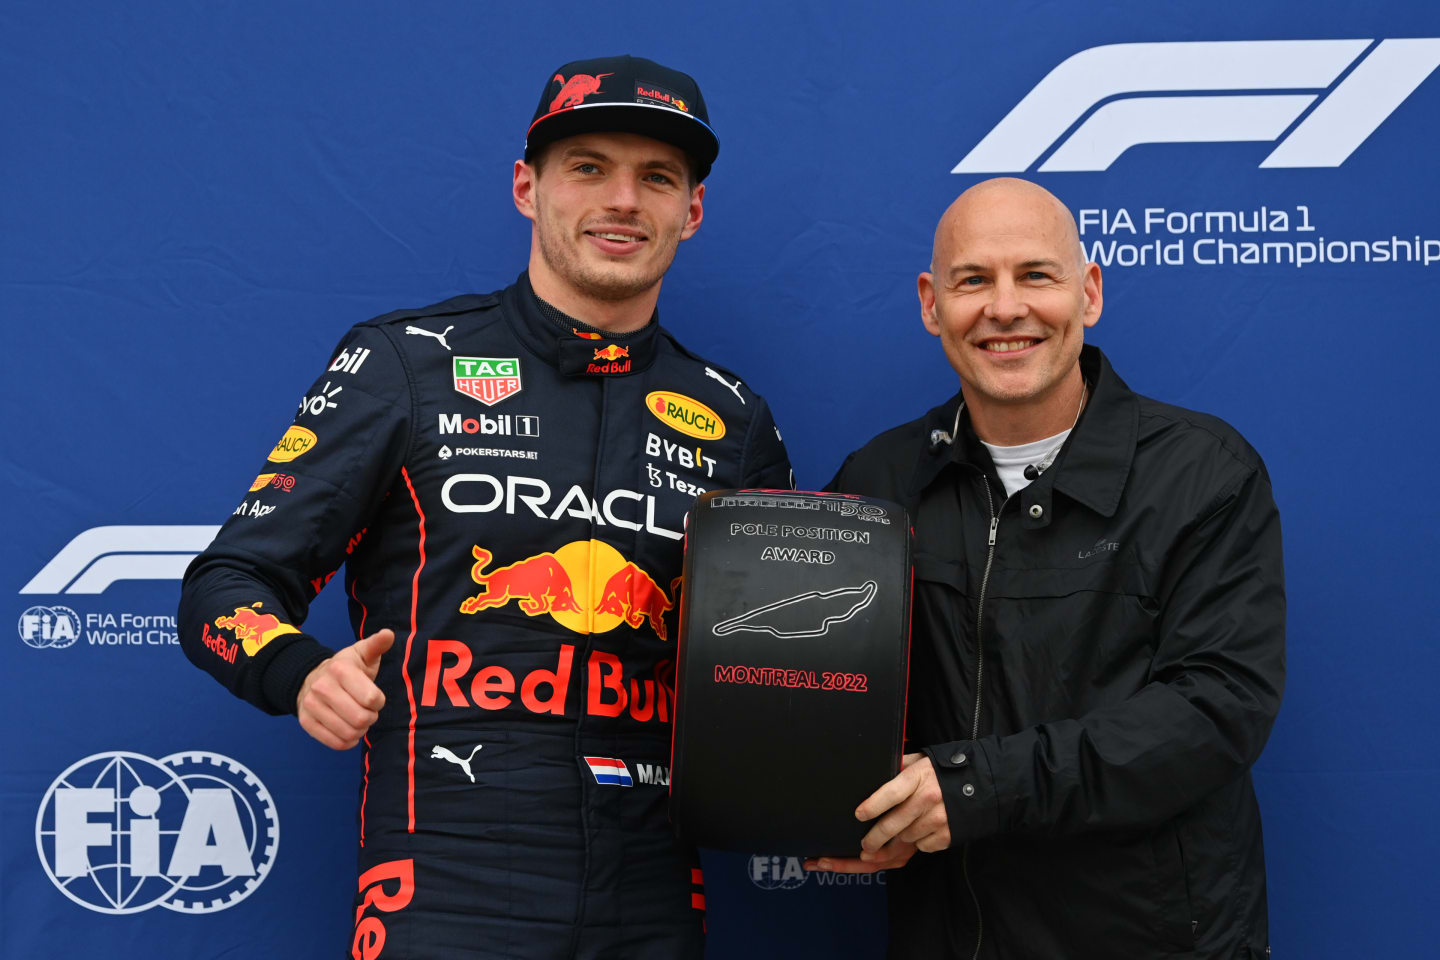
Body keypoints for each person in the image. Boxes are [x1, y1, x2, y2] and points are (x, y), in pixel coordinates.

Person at [179, 55, 792, 960]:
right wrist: (299, 670)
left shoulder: (733, 420)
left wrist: (826, 789)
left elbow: (771, 670)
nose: (623, 199)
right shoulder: (408, 364)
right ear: (526, 187)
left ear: (690, 211)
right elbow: (224, 584)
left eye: (656, 177)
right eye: (588, 166)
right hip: (447, 881)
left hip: (653, 891)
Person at [816, 178, 1284, 959]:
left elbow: (1217, 709)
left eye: (1036, 274)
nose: (1005, 308)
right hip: (947, 937)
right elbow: (831, 688)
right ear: (932, 304)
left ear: (1088, 292)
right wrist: (831, 805)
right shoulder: (881, 482)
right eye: (974, 280)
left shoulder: (1203, 473)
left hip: (1154, 939)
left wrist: (973, 787)